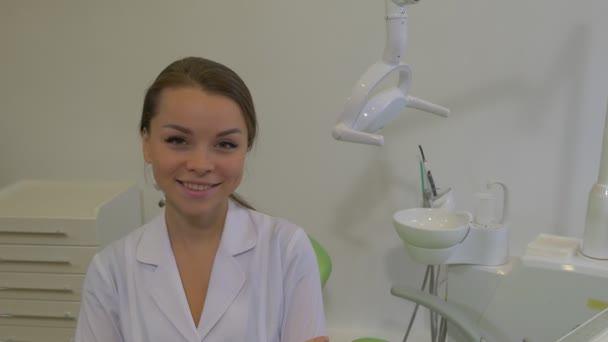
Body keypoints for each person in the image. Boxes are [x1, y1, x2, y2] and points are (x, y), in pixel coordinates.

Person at [75, 57, 328, 342]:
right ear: (147, 143)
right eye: (177, 140)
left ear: (246, 149)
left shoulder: (287, 250)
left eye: (225, 144)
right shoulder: (111, 271)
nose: (201, 164)